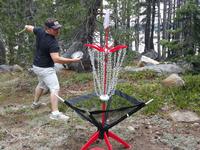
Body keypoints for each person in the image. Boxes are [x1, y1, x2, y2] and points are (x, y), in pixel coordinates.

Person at [25, 18, 81, 121]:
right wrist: (72, 60)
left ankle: (35, 104)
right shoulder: (52, 42)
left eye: (58, 28)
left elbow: (30, 28)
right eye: (55, 29)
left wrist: (26, 27)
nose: (57, 31)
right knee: (55, 88)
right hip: (45, 69)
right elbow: (56, 59)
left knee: (41, 84)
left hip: (36, 66)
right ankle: (55, 114)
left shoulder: (40, 31)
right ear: (48, 29)